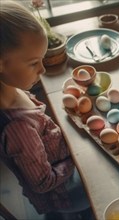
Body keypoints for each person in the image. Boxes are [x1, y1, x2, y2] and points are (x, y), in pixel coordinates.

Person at [0, 1, 90, 218]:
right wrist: (77, 158)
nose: (42, 69)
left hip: (60, 163)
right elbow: (43, 182)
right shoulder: (18, 128)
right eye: (33, 63)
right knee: (104, 176)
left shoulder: (14, 90)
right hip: (62, 194)